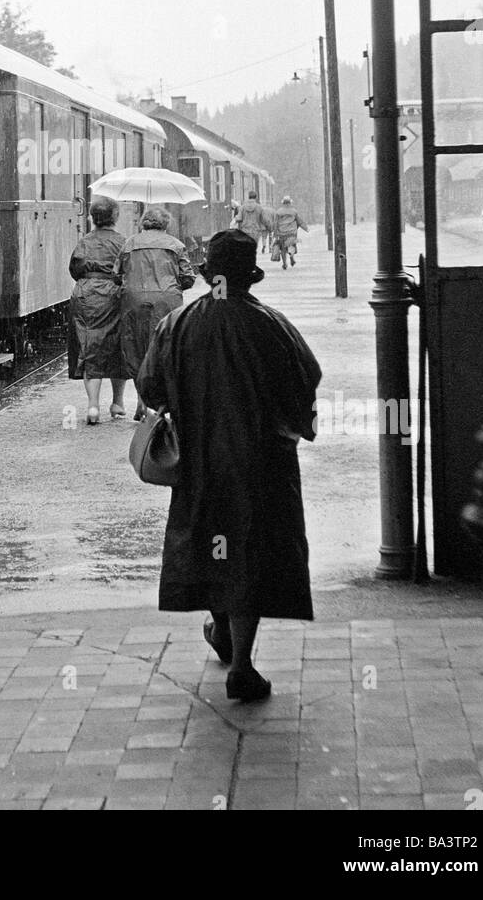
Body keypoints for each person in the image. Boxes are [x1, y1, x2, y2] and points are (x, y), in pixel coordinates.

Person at [137, 230, 320, 702]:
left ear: (207, 272)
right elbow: (305, 381)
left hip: (200, 465)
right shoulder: (270, 324)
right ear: (249, 274)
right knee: (248, 554)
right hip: (260, 464)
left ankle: (221, 633)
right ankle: (241, 664)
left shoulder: (176, 324)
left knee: (212, 542)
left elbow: (151, 389)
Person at [115, 206, 196, 420]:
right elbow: (188, 277)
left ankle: (142, 401)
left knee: (135, 348)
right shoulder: (176, 245)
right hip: (167, 301)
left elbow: (116, 275)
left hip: (134, 300)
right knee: (166, 348)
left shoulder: (130, 243)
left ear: (144, 223)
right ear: (165, 224)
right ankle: (165, 403)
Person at [68, 196, 127, 425]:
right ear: (116, 217)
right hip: (113, 294)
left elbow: (75, 269)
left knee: (89, 346)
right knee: (116, 346)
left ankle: (93, 407)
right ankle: (118, 403)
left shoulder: (84, 241)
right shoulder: (123, 241)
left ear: (93, 218)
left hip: (85, 294)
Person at [273, 194, 308, 270]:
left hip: (282, 232)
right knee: (291, 245)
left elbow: (275, 223)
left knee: (282, 248)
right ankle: (291, 255)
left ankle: (284, 263)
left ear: (283, 203)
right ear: (290, 203)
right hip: (292, 232)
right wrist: (305, 228)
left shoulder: (278, 212)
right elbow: (299, 221)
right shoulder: (294, 211)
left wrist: (275, 233)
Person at [234, 190, 274, 255]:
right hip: (256, 232)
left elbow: (239, 218)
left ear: (248, 197)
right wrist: (270, 227)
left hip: (245, 231)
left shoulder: (243, 207)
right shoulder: (259, 208)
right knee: (253, 249)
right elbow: (265, 220)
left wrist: (236, 219)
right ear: (256, 197)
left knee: (246, 249)